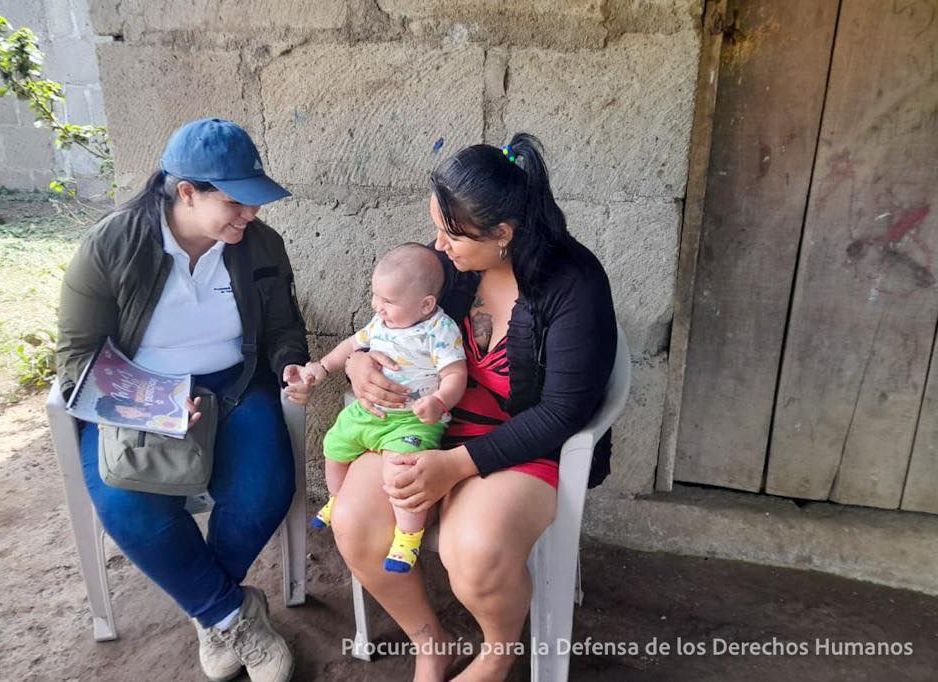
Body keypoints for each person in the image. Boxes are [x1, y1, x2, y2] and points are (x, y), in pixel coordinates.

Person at [335, 134, 617, 681]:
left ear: (503, 235)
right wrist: (358, 362)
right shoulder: (458, 265)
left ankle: (497, 652)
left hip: (525, 440)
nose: (438, 246)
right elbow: (393, 325)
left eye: (450, 235)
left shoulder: (574, 284)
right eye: (437, 228)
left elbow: (562, 413)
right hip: (434, 425)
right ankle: (429, 641)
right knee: (353, 519)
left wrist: (456, 467)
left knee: (475, 551)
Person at [56, 118, 311, 682]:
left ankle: (209, 608)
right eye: (236, 201)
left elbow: (284, 329)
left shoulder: (260, 246)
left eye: (254, 200)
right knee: (129, 505)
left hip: (235, 384)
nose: (251, 214)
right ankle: (230, 613)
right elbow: (76, 356)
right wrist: (148, 403)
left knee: (264, 490)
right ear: (186, 193)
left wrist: (288, 362)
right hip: (137, 392)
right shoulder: (113, 244)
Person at [299, 243, 467, 574]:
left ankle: (408, 535)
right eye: (376, 296)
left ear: (425, 304)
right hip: (369, 412)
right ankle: (336, 498)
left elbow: (455, 374)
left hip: (410, 421)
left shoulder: (439, 330)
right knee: (334, 444)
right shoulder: (381, 324)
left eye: (388, 301)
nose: (378, 306)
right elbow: (351, 345)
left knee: (400, 472)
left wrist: (439, 401)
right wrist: (322, 366)